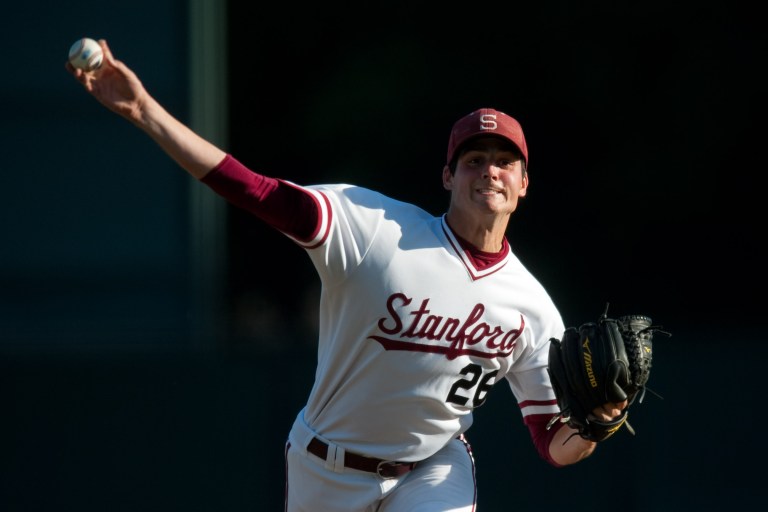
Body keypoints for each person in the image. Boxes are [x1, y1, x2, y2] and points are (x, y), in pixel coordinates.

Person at [66, 40, 628, 512]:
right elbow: (252, 189)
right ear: (447, 176)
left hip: (433, 466)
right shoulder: (374, 230)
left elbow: (554, 444)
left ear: (524, 183)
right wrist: (146, 112)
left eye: (504, 161)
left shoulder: (531, 306)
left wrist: (600, 425)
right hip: (325, 466)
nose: (489, 170)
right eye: (474, 159)